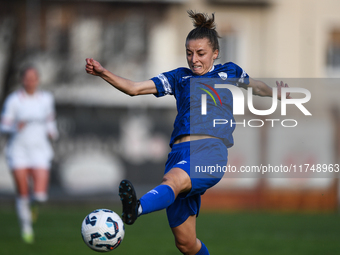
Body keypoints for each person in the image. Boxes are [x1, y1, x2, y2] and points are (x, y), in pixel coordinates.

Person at [85, 11, 289, 255]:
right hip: (179, 153)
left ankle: (135, 209)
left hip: (210, 152)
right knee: (186, 243)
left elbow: (257, 86)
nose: (194, 59)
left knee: (172, 180)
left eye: (200, 53)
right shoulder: (179, 77)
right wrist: (103, 72)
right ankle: (143, 209)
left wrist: (277, 93)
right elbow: (134, 88)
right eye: (189, 53)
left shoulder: (228, 72)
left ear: (215, 53)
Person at [0, 66, 59, 244]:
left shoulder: (46, 99)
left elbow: (50, 122)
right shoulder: (14, 100)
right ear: (22, 80)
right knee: (23, 192)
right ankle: (26, 228)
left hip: (40, 151)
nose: (30, 81)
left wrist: (52, 133)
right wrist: (13, 127)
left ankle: (34, 207)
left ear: (38, 80)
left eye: (33, 77)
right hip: (18, 151)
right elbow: (4, 125)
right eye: (27, 78)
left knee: (40, 195)